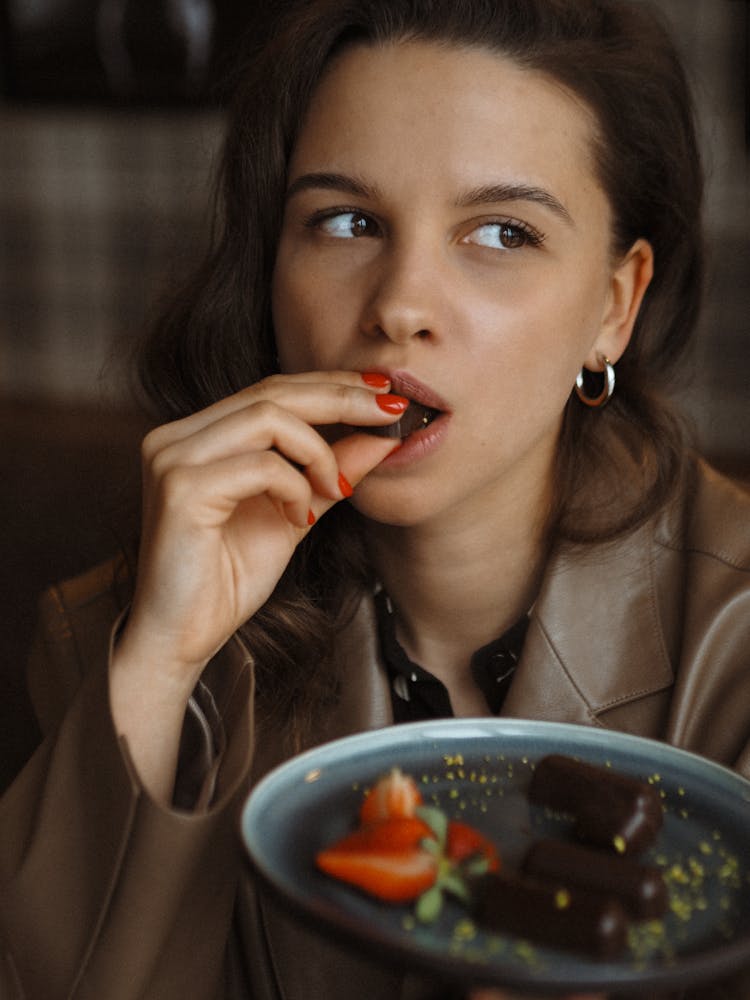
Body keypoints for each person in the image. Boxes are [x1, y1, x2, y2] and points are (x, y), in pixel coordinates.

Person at [1, 0, 748, 998]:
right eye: (346, 221)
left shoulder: (736, 642)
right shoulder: (116, 637)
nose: (399, 303)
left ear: (614, 306)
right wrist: (162, 659)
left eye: (499, 231)